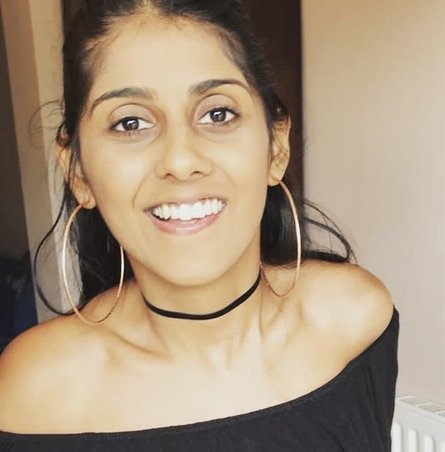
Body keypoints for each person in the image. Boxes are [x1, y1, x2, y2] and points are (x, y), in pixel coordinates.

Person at [0, 1, 398, 450]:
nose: (181, 160)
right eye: (130, 122)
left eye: (217, 113)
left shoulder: (354, 318)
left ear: (276, 147)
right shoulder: (36, 393)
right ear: (77, 171)